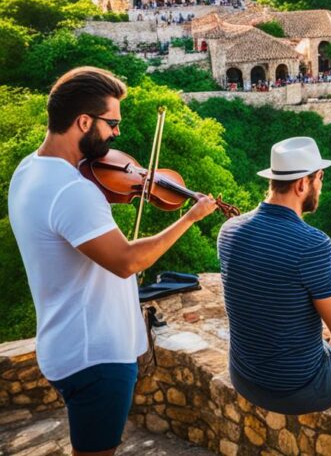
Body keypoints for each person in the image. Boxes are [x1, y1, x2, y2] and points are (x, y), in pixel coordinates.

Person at [8, 66, 219, 456]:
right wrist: (189, 217)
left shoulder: (28, 170)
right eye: (111, 123)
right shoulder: (72, 190)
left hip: (62, 343)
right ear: (83, 121)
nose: (116, 134)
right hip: (97, 358)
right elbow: (126, 261)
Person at [218, 136, 331, 415]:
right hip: (295, 388)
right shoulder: (313, 244)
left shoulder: (229, 230)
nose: (321, 186)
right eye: (320, 178)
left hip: (243, 377)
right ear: (303, 183)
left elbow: (268, 288)